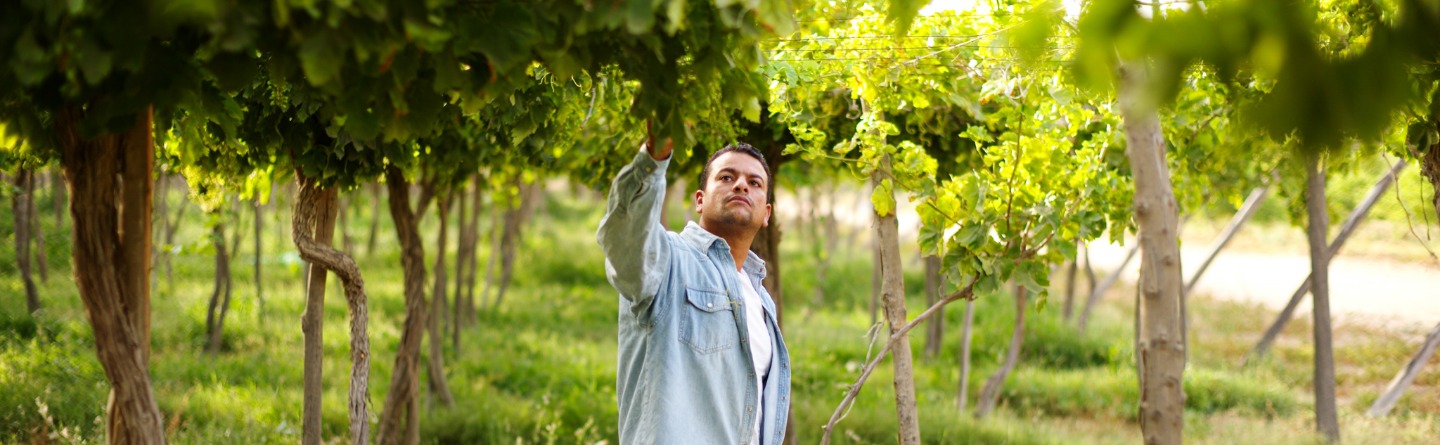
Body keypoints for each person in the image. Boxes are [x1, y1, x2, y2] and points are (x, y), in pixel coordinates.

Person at [597, 136, 791, 444]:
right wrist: (653, 159)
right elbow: (626, 238)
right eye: (727, 177)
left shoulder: (761, 299)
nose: (741, 185)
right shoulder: (668, 259)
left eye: (754, 183)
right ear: (699, 200)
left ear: (766, 213)